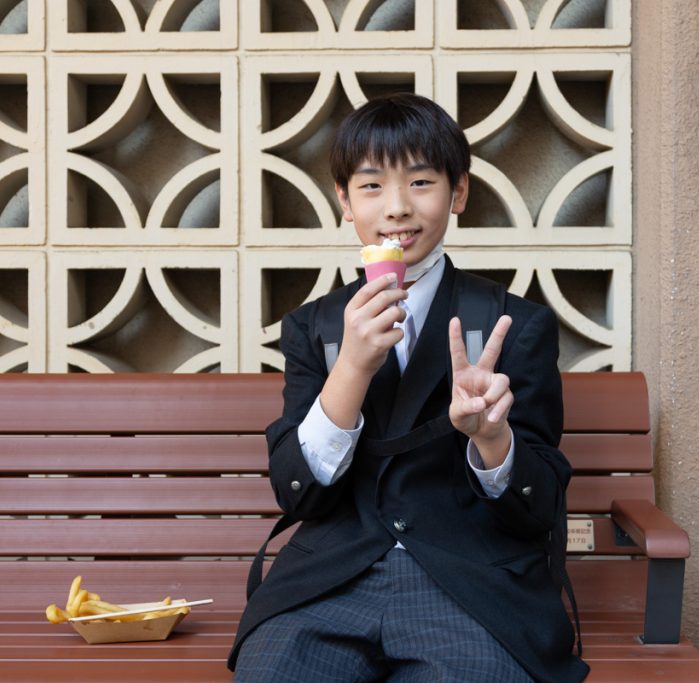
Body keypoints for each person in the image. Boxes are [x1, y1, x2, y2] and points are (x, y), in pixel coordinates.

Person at [228, 93, 588, 683]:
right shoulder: (315, 327)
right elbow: (298, 495)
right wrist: (351, 368)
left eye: (421, 182)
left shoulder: (512, 324)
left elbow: (538, 507)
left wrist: (492, 440)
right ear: (345, 201)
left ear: (458, 192)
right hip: (330, 583)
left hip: (471, 585)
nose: (397, 208)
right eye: (372, 186)